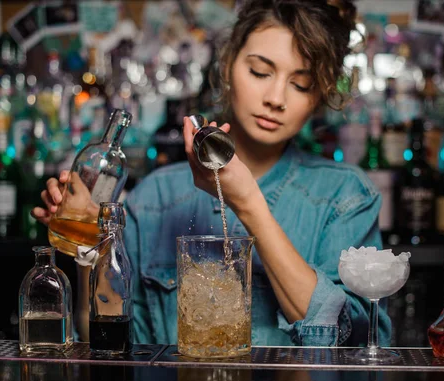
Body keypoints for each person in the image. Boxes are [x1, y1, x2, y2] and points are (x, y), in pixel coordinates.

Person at [32, 0, 392, 347]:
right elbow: (109, 342)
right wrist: (90, 249)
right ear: (228, 65)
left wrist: (248, 203)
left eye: (301, 84)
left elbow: (354, 343)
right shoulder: (154, 198)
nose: (276, 97)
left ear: (320, 97)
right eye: (260, 72)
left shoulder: (346, 197)